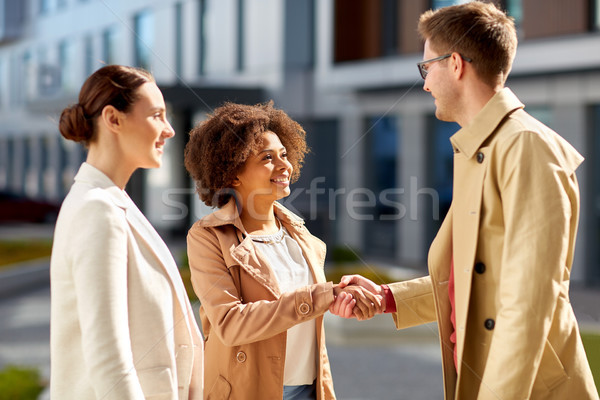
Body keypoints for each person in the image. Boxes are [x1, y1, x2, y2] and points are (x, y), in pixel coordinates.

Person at [336, 2, 599, 399]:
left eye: (427, 68)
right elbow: (473, 279)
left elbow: (528, 303)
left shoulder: (526, 148)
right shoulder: (480, 150)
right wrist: (387, 298)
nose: (424, 84)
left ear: (455, 64)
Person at [184, 101, 382, 400]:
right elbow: (229, 323)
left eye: (284, 154)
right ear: (233, 173)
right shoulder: (208, 237)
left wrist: (344, 294)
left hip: (310, 388)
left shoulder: (299, 233)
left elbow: (311, 307)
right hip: (247, 390)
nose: (284, 166)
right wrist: (322, 296)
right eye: (267, 158)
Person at [50, 65, 204, 399]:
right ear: (113, 119)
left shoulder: (114, 202)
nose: (170, 130)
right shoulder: (97, 210)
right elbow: (109, 359)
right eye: (157, 115)